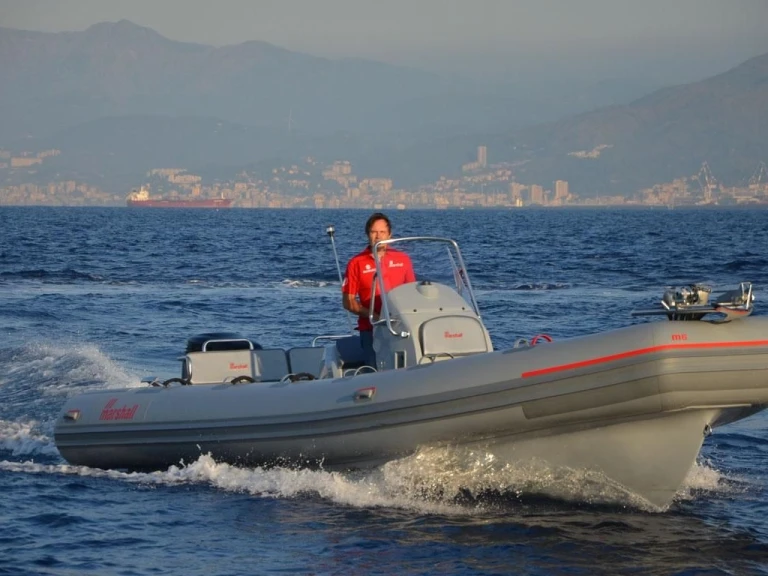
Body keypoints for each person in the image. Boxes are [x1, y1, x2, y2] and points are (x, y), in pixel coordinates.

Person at [342, 212, 415, 368]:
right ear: (368, 234)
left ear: (389, 234)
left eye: (382, 232)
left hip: (400, 327)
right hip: (371, 329)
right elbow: (348, 302)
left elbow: (411, 293)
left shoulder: (403, 259)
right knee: (375, 369)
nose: (378, 236)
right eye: (374, 232)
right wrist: (375, 317)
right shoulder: (356, 263)